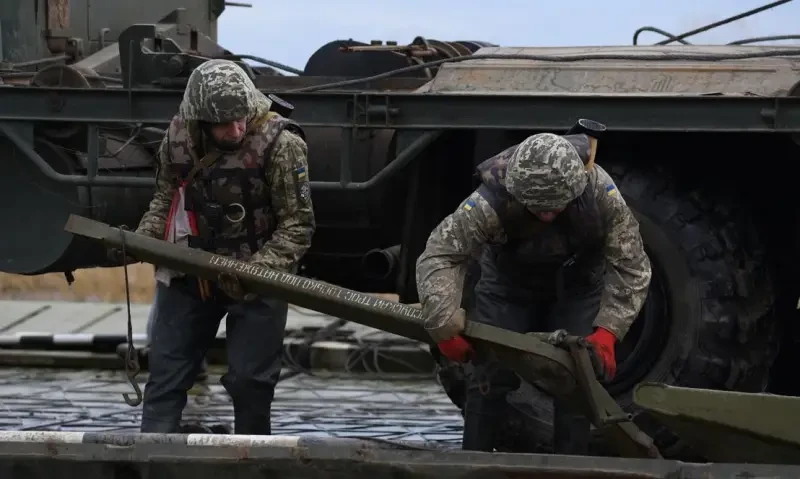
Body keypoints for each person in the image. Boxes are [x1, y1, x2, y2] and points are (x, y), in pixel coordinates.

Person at [415, 132, 651, 453]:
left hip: (579, 285)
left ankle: (570, 468)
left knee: (578, 377)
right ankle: (474, 461)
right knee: (488, 375)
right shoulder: (490, 200)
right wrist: (443, 325)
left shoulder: (600, 193)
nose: (547, 216)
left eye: (554, 208)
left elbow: (631, 263)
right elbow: (441, 254)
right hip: (508, 285)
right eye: (538, 209)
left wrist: (610, 329)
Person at [130, 59, 315, 435]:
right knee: (165, 377)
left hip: (257, 280)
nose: (236, 130)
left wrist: (255, 272)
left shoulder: (282, 145)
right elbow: (165, 199)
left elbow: (297, 226)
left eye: (240, 119)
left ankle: (250, 457)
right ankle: (151, 454)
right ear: (201, 121)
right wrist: (143, 239)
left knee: (251, 383)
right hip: (191, 274)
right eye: (224, 124)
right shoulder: (179, 138)